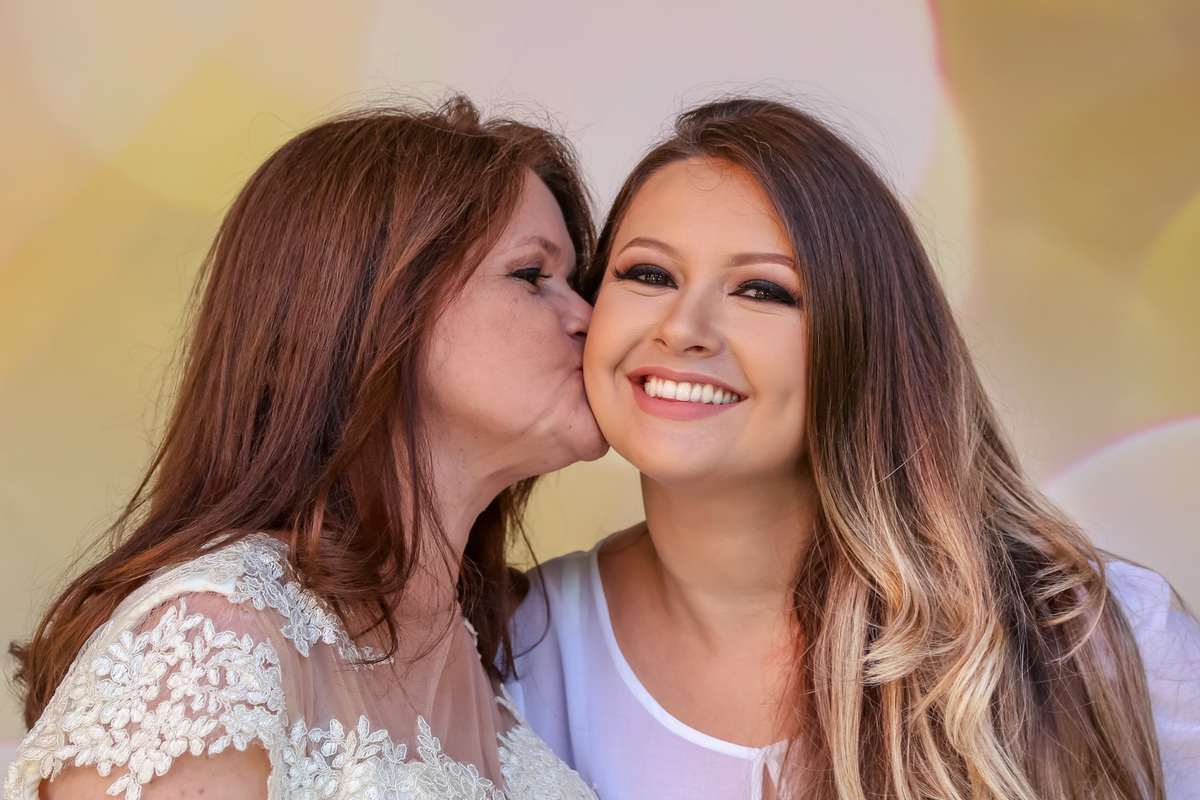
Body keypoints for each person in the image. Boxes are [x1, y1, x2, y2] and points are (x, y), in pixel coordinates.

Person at [507, 98, 1200, 800]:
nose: (683, 328)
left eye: (762, 290)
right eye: (649, 275)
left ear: (866, 341)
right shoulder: (522, 649)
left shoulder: (1100, 643)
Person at [6, 97, 606, 800]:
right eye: (532, 276)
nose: (589, 319)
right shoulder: (210, 643)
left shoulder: (477, 663)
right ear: (368, 310)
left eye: (574, 283)